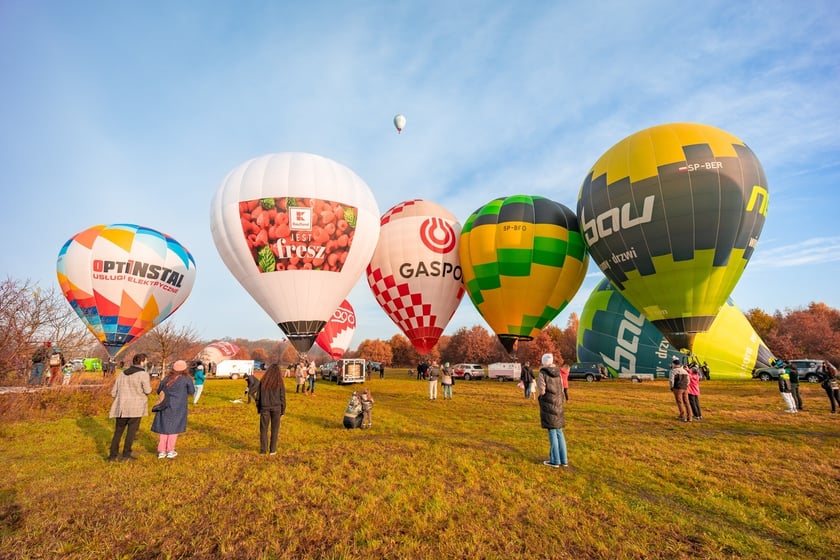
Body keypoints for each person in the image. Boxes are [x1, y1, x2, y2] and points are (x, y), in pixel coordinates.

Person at [107, 353, 152, 462]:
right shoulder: (143, 374)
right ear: (142, 362)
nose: (146, 363)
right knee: (131, 432)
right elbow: (148, 390)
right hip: (135, 407)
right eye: (145, 361)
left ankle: (113, 455)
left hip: (121, 407)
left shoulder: (122, 374)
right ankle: (126, 455)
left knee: (118, 432)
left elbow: (113, 392)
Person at [151, 360, 195, 459]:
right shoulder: (186, 379)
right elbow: (192, 391)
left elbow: (159, 391)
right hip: (179, 407)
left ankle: (161, 451)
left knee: (163, 428)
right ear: (185, 369)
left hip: (165, 405)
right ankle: (170, 450)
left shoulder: (166, 378)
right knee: (174, 429)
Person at [536, 353, 568, 468]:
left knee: (552, 432)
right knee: (559, 431)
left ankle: (555, 460)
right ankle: (563, 459)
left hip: (548, 405)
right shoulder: (558, 373)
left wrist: (541, 398)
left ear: (544, 362)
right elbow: (562, 388)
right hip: (558, 404)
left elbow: (542, 390)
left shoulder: (542, 373)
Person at [254, 363, 286, 455]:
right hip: (277, 408)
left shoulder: (263, 381)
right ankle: (272, 450)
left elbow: (258, 397)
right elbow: (282, 397)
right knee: (275, 429)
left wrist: (259, 408)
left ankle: (263, 450)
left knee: (263, 429)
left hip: (265, 408)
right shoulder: (280, 382)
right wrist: (282, 411)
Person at [669, 358, 692, 422]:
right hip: (685, 388)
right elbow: (688, 381)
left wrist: (671, 387)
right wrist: (685, 386)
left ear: (674, 364)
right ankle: (690, 417)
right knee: (687, 402)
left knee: (680, 402)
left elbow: (671, 380)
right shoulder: (685, 371)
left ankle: (682, 416)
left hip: (677, 388)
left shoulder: (673, 371)